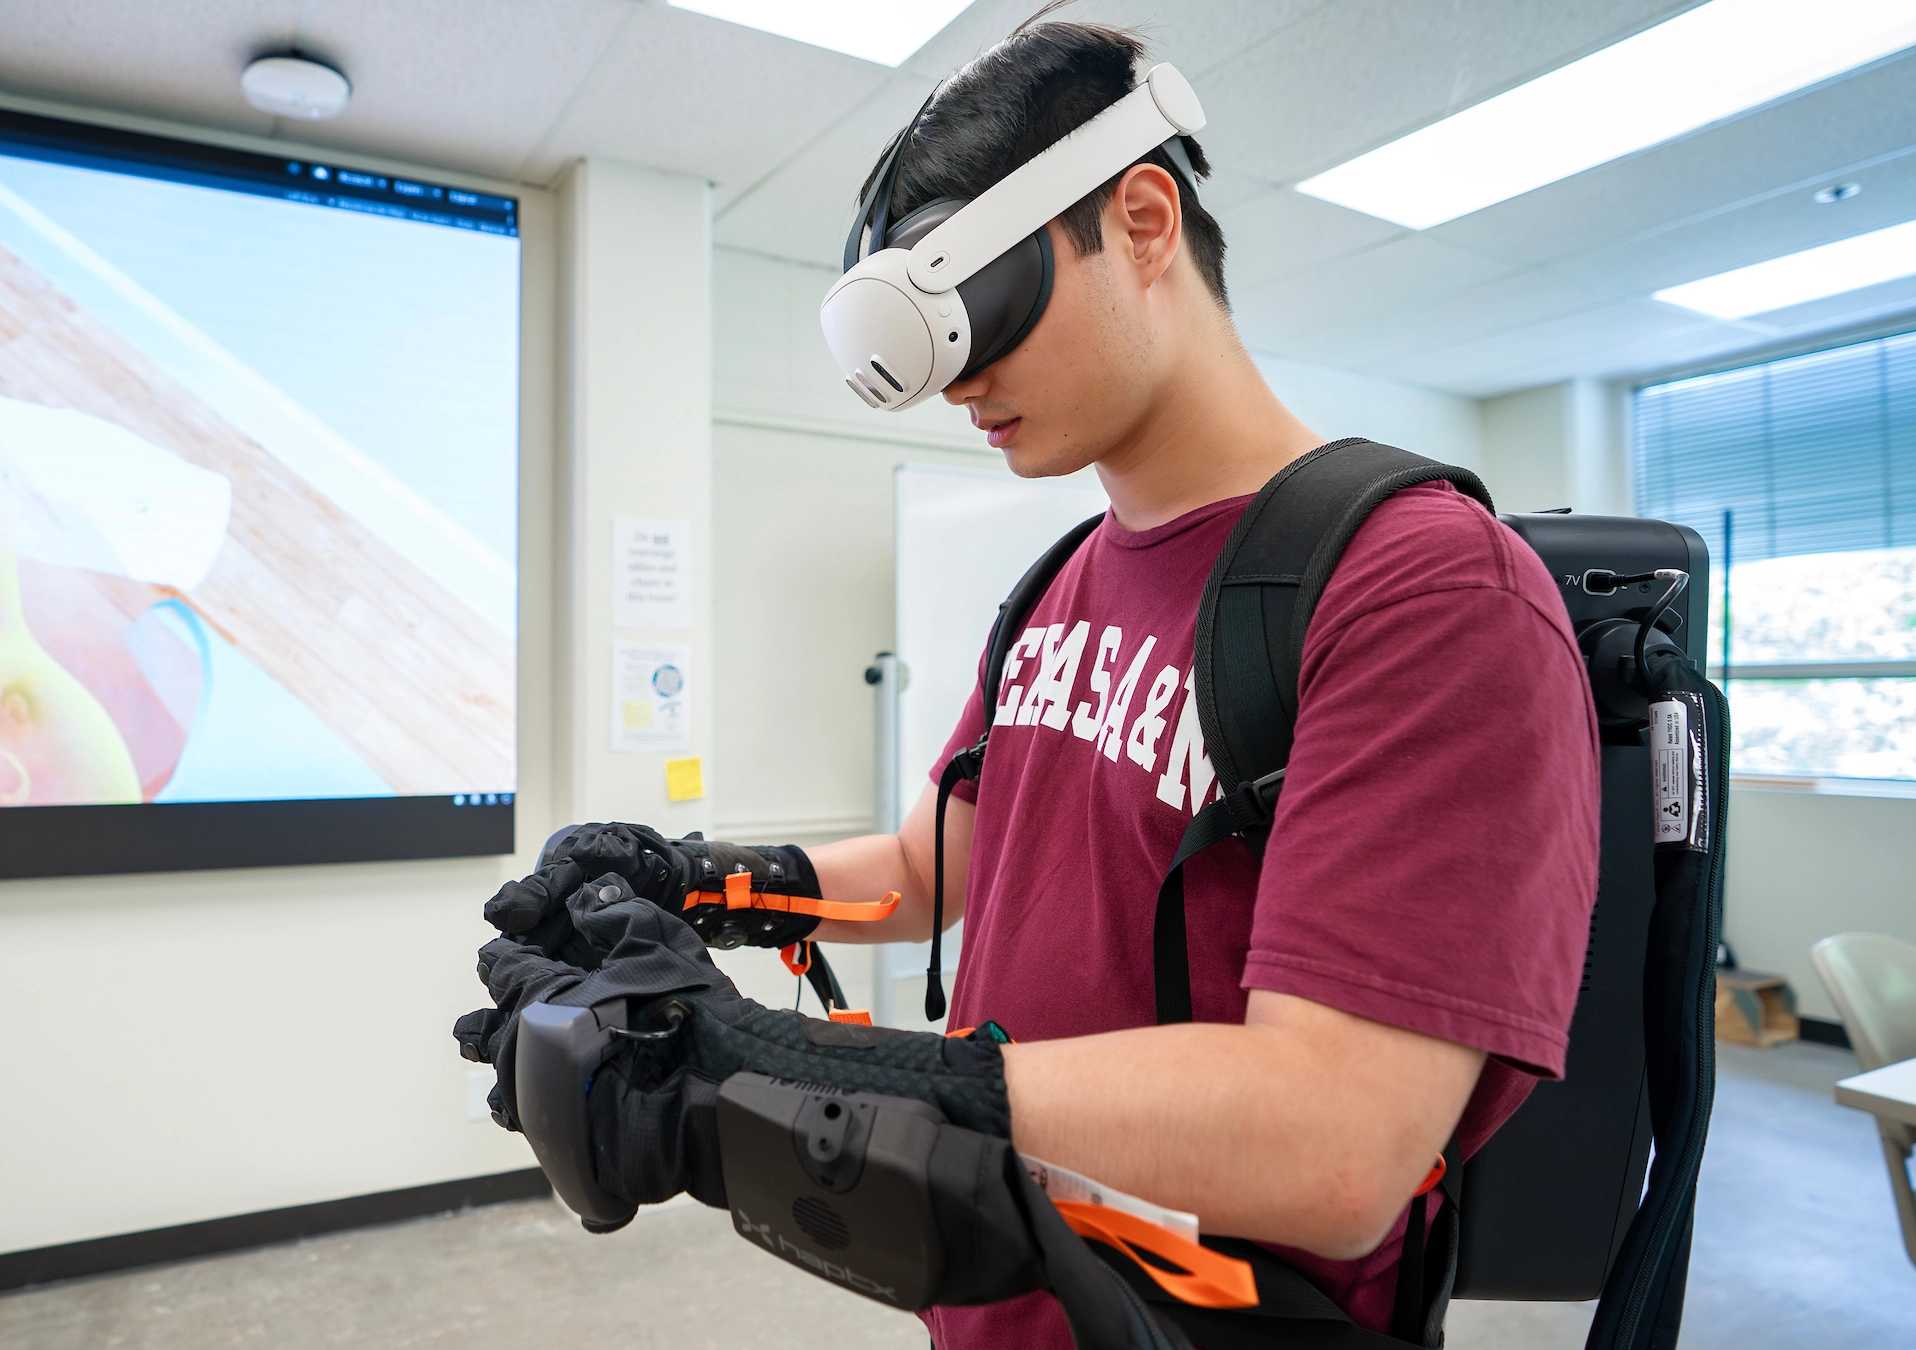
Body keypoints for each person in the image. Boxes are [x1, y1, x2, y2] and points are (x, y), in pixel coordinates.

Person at [459, 16, 1597, 1348]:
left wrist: (777, 1064)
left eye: (982, 307)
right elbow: (932, 865)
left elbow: (1339, 1138)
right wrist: (697, 881)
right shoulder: (1061, 583)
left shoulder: (1424, 588)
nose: (960, 380)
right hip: (1008, 1300)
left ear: (1146, 221)